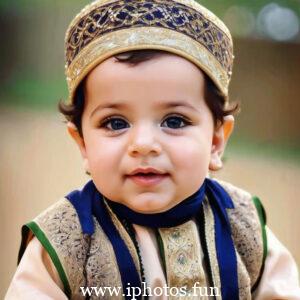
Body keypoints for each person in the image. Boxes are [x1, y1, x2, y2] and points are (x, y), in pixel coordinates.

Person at [6, 0, 300, 299]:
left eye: (174, 120)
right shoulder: (63, 243)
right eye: (115, 123)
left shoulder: (244, 226)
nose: (143, 144)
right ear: (82, 143)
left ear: (215, 141)